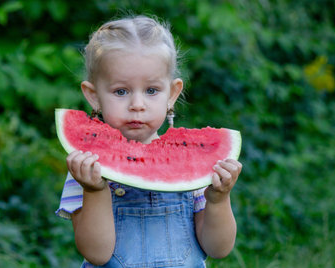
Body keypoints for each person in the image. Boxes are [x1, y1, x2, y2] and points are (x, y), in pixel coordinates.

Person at [56, 15, 242, 267]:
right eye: (121, 91)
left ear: (172, 93)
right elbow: (96, 254)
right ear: (93, 96)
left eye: (151, 91)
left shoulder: (193, 164)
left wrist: (218, 199)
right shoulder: (86, 168)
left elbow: (218, 248)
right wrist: (94, 190)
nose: (137, 105)